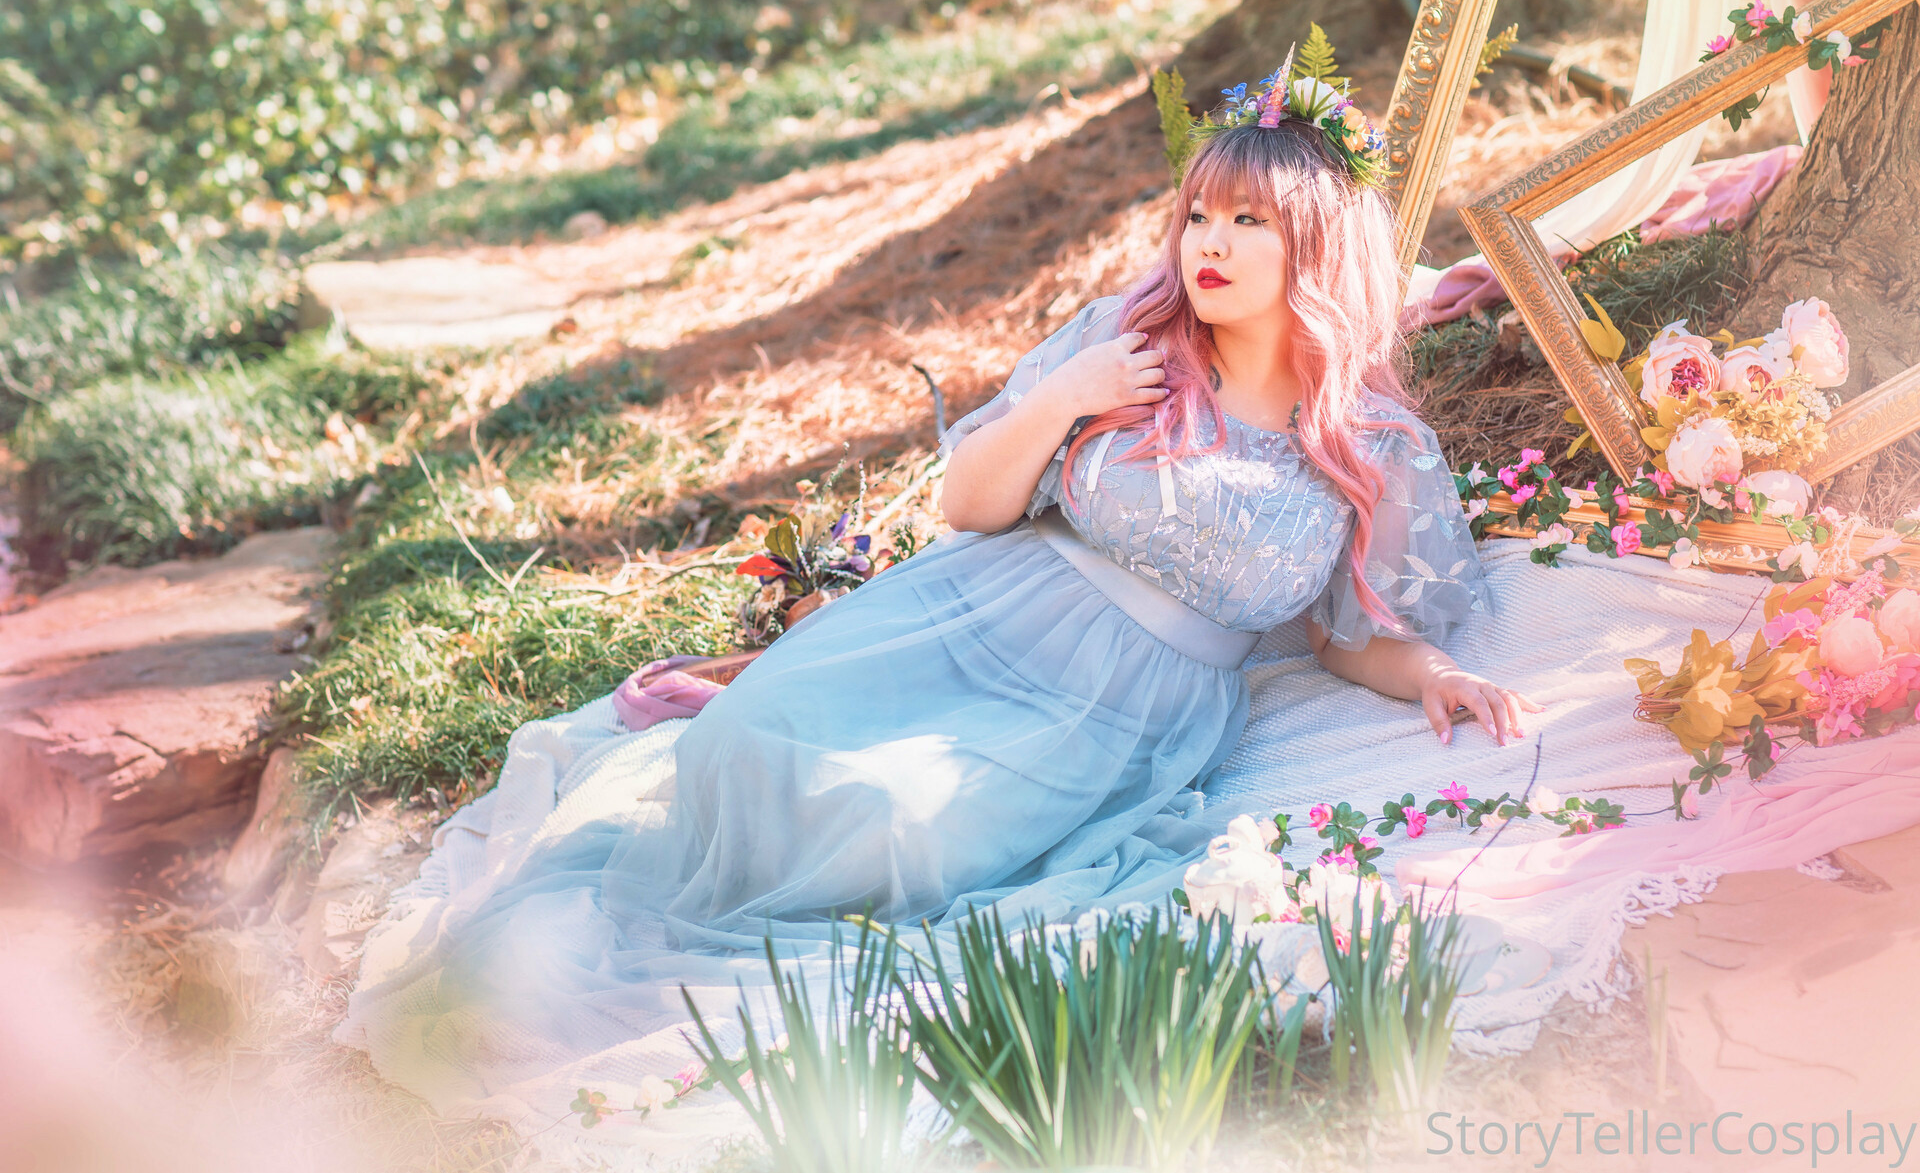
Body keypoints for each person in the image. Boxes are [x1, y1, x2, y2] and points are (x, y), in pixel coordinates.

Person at [340, 65, 1530, 1129]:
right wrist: (1062, 397)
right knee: (747, 744)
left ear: (1314, 245)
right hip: (972, 609)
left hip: (1116, 704)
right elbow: (971, 502)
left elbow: (1347, 632)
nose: (1205, 245)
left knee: (891, 827)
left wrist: (1431, 673)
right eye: (1196, 216)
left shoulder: (1365, 439)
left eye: (1247, 221)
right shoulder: (1125, 344)